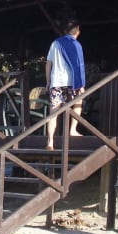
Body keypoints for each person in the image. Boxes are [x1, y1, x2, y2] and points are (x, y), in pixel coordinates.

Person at [44, 19, 86, 149]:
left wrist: (48, 82)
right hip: (71, 83)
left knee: (53, 112)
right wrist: (81, 85)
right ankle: (72, 129)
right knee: (78, 104)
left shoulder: (55, 43)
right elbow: (79, 66)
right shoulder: (76, 45)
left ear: (65, 31)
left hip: (56, 82)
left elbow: (48, 63)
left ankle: (50, 142)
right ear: (77, 32)